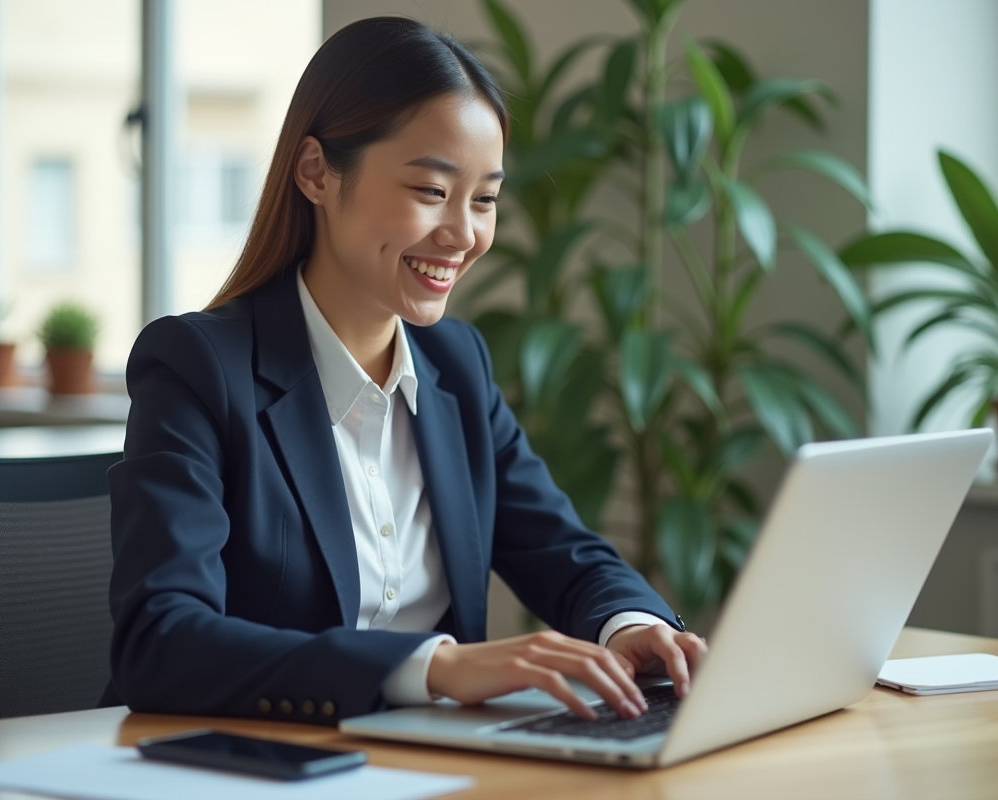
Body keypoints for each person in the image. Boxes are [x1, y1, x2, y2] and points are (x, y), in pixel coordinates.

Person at [105, 16, 706, 727]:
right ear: (316, 173)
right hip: (254, 766)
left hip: (428, 764)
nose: (463, 234)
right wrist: (434, 667)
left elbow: (564, 550)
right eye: (430, 191)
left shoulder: (457, 367)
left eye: (484, 199)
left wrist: (629, 625)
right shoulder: (199, 368)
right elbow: (160, 641)